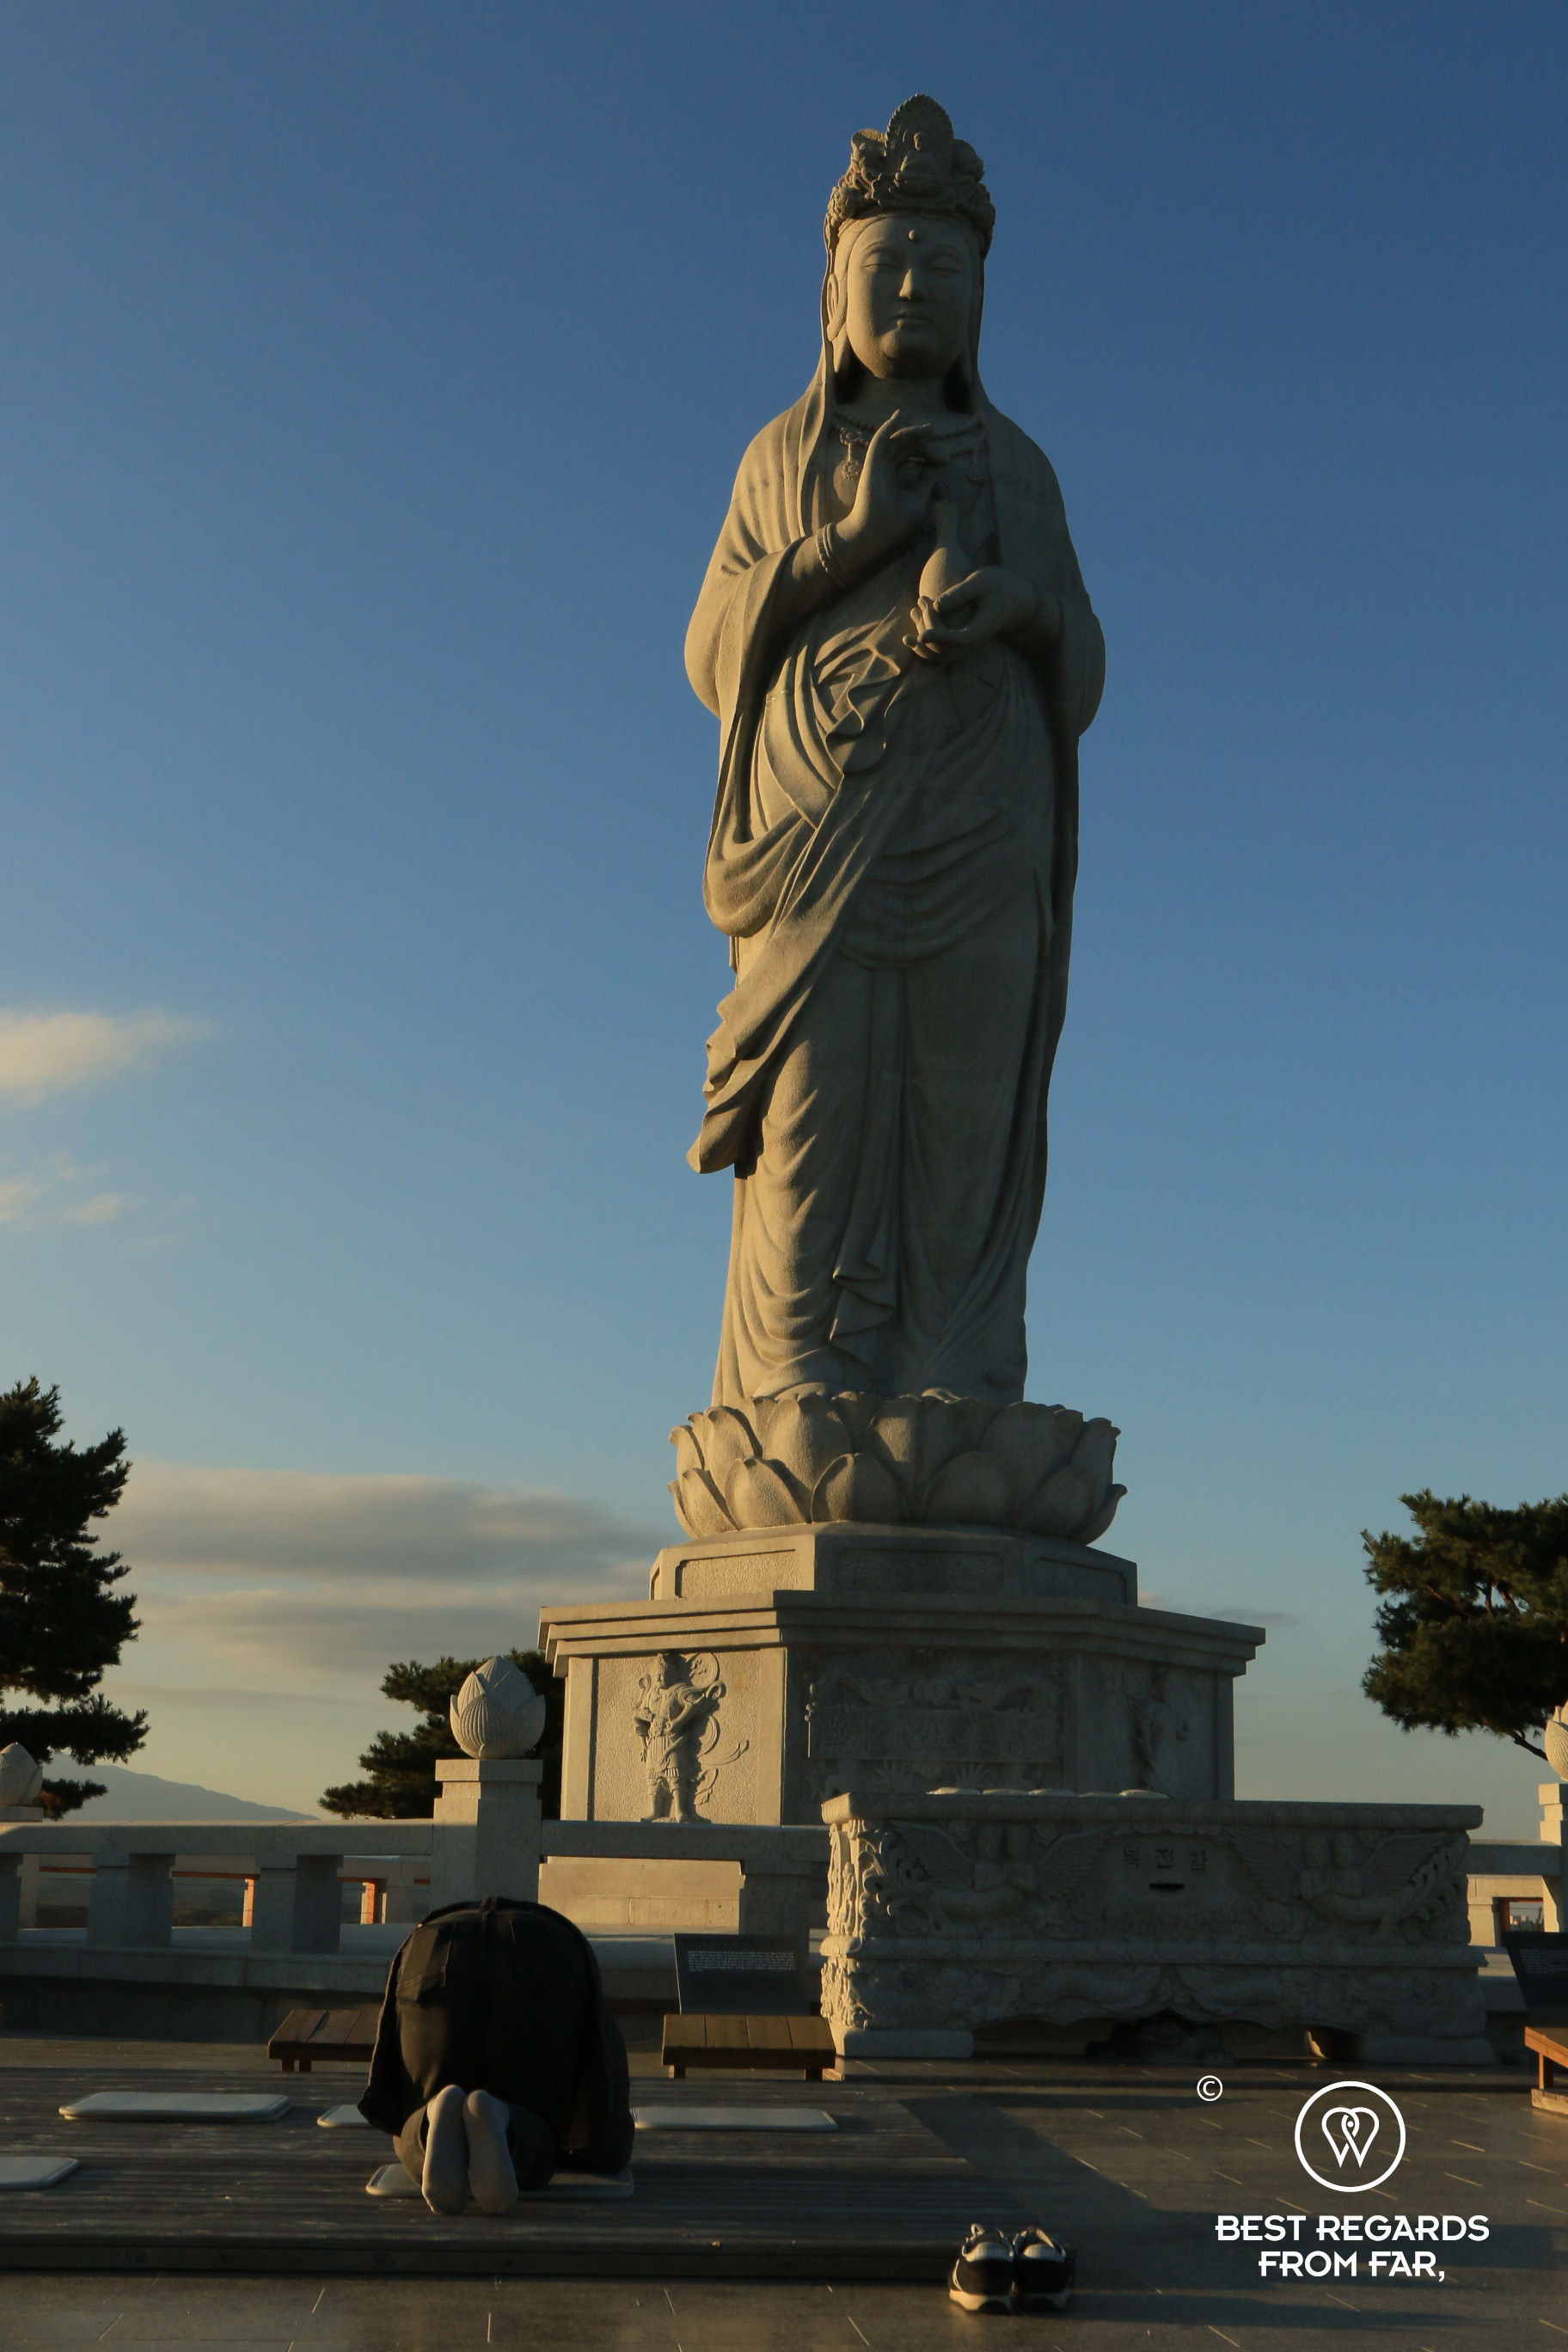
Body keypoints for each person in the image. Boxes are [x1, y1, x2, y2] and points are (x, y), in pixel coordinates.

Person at [685, 95, 1104, 1411]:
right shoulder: (785, 454)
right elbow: (710, 651)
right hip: (823, 830)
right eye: (890, 262)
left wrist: (1024, 610)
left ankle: (960, 1384)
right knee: (819, 1120)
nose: (919, 286)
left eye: (947, 267)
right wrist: (849, 542)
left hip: (987, 822)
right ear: (833, 295)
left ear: (983, 299)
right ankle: (798, 1383)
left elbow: (1083, 662)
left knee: (965, 1118)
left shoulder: (1020, 468)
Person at [357, 1896, 634, 2215]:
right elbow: (608, 2129)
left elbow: (390, 2092)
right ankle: (504, 2124)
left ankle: (433, 2114)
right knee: (543, 2125)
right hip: (547, 1944)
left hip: (432, 1942)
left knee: (410, 2122)